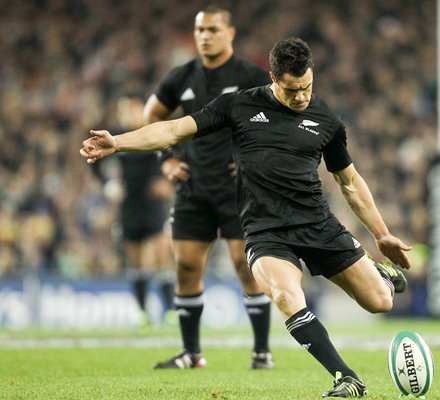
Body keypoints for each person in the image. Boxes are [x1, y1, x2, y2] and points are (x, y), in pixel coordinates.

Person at [81, 37, 411, 398]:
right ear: (272, 77)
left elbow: (349, 181)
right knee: (287, 296)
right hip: (265, 230)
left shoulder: (326, 119)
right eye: (292, 90)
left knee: (380, 302)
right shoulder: (237, 106)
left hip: (317, 224)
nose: (301, 97)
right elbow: (173, 130)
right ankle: (346, 378)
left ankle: (377, 271)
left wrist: (381, 234)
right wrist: (119, 142)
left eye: (307, 88)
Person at [142, 7, 274, 370]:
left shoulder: (252, 76)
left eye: (213, 29)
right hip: (192, 185)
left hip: (238, 188)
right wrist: (166, 159)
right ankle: (191, 354)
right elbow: (151, 115)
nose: (205, 36)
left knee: (244, 265)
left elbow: (278, 122)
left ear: (230, 33)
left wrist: (254, 159)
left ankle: (262, 351)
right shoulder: (181, 76)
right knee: (185, 264)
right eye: (200, 29)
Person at [92, 94, 175, 326]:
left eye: (133, 108)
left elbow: (172, 155)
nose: (129, 114)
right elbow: (94, 162)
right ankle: (142, 312)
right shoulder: (115, 138)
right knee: (136, 258)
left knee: (161, 254)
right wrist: (108, 184)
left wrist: (166, 180)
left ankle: (169, 310)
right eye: (125, 109)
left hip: (153, 204)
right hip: (129, 204)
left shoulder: (153, 133)